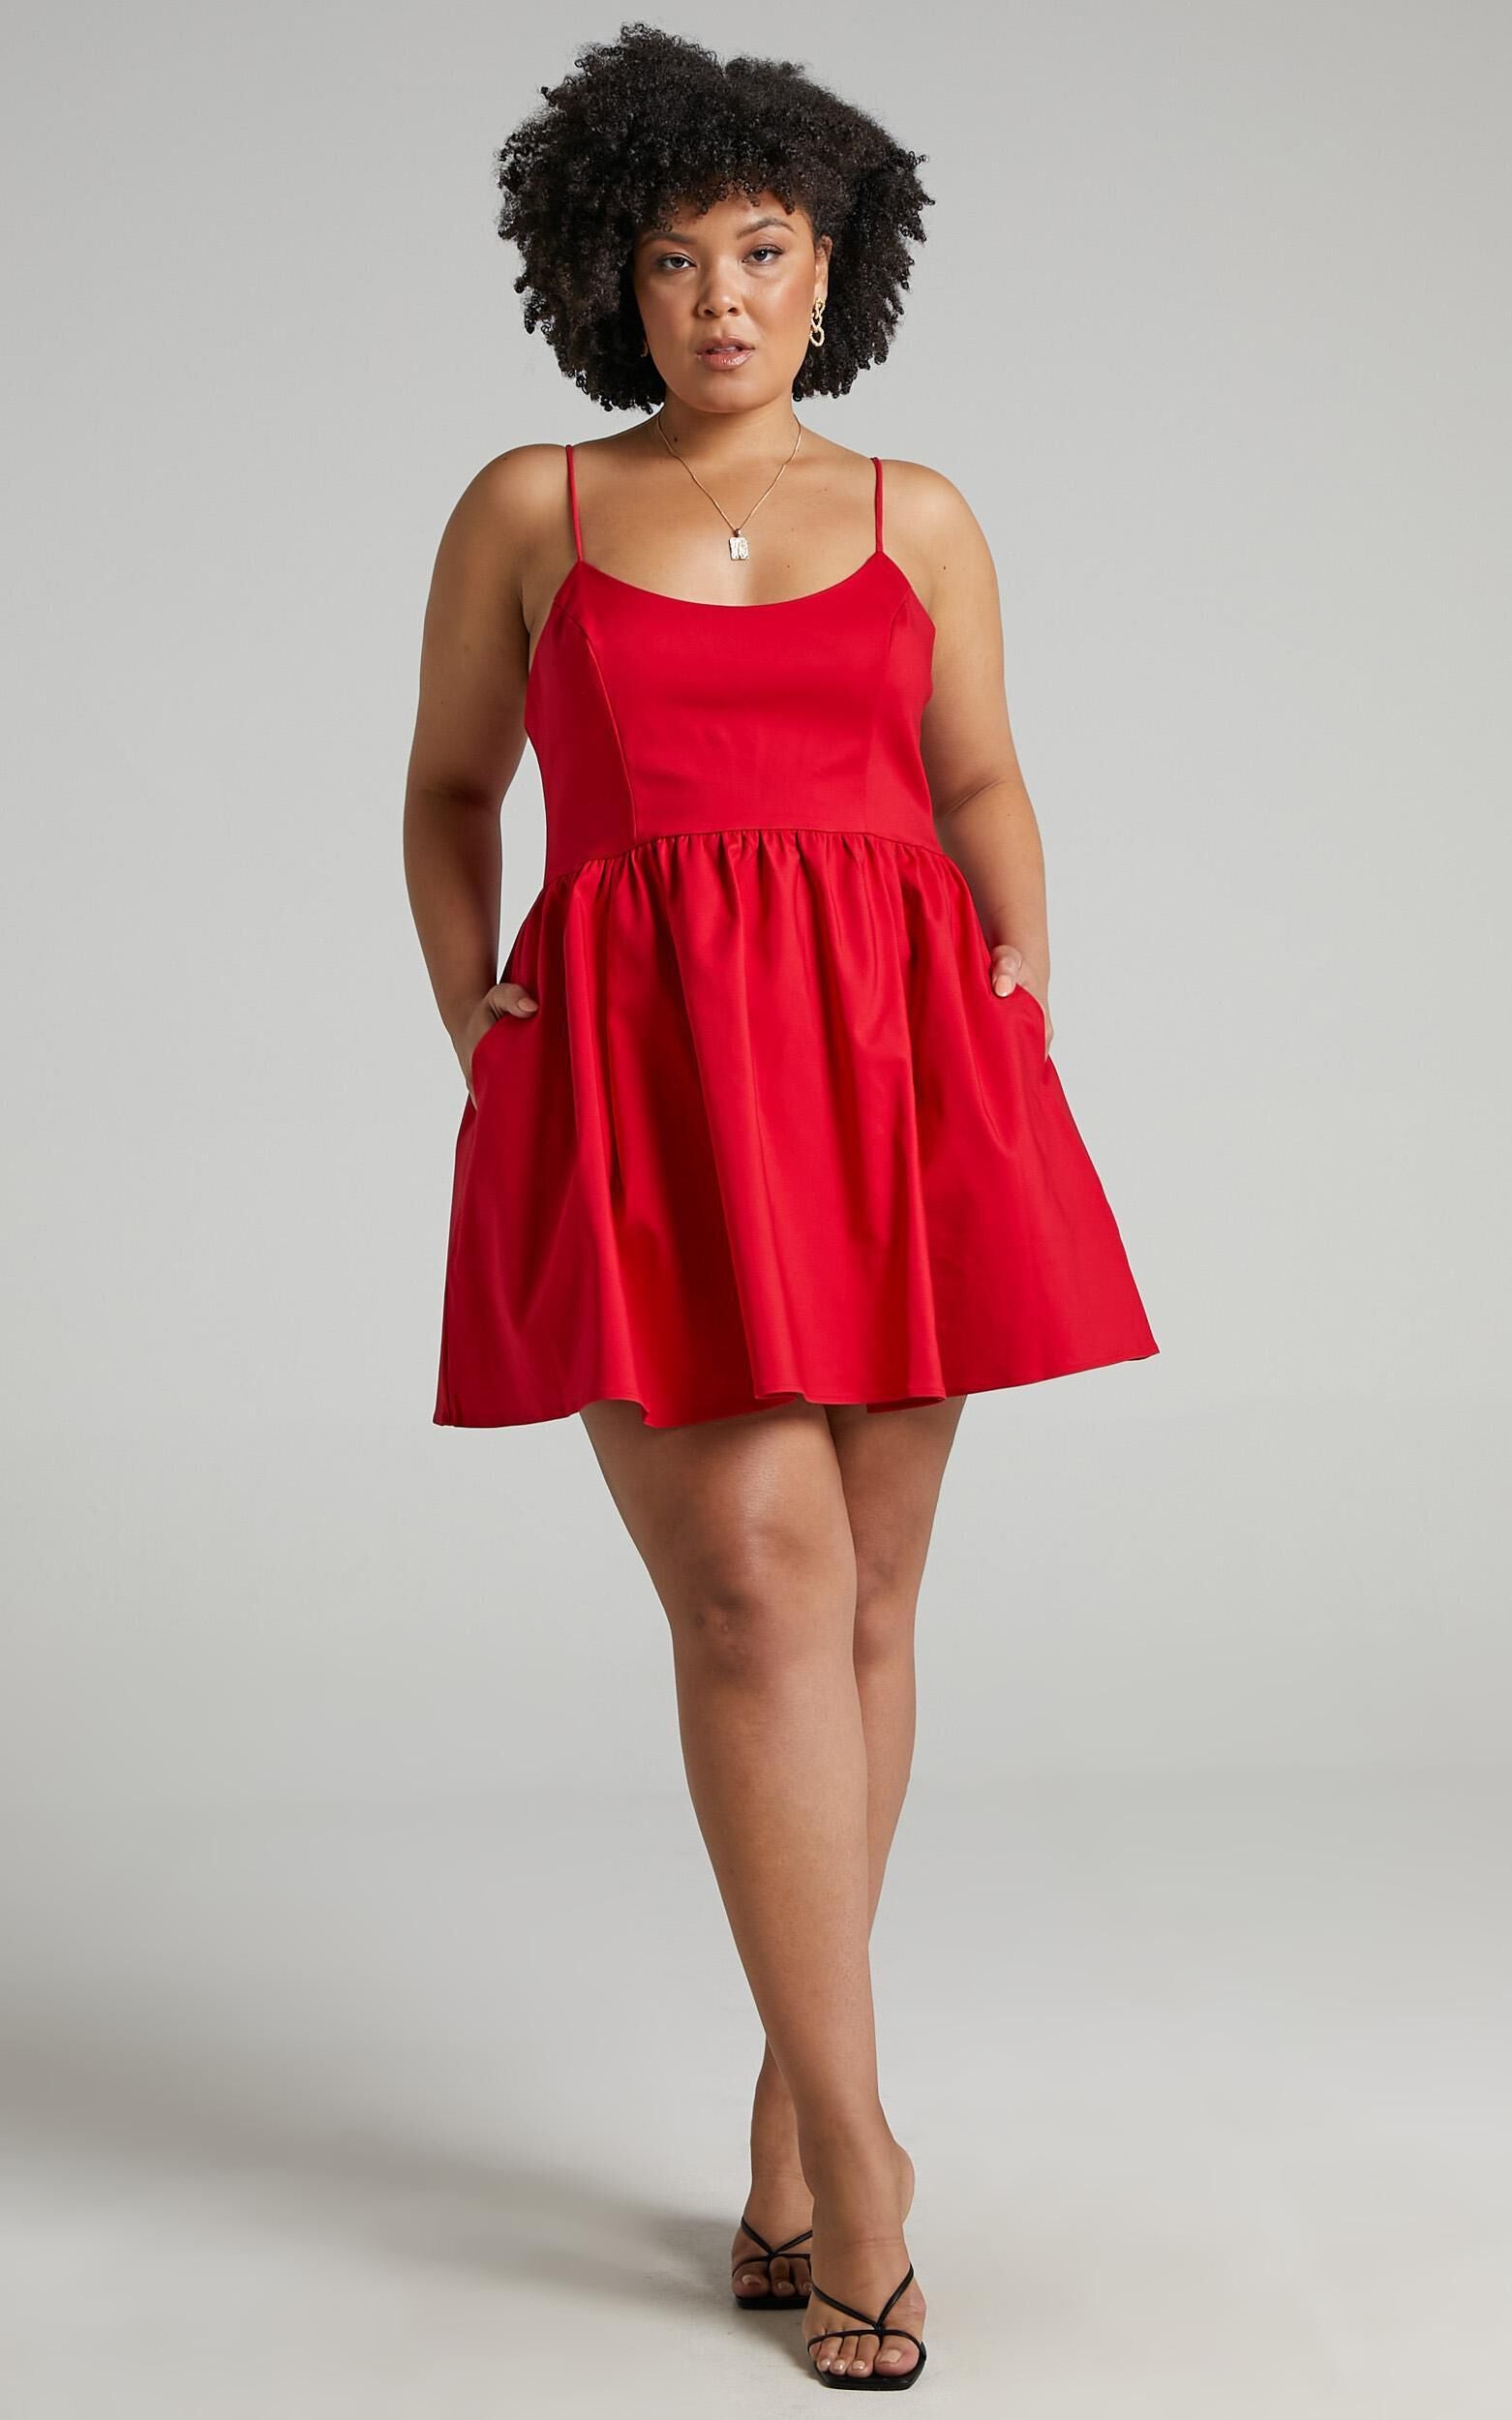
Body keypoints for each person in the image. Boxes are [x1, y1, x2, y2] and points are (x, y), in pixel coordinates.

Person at [404, 24, 1159, 2390]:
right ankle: (864, 2161)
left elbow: (979, 773)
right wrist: (474, 1018)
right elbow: (446, 791)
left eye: (762, 249)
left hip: (894, 1082)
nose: (719, 297)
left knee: (868, 1607)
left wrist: (1021, 946)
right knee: (756, 1585)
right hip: (643, 1098)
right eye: (670, 257)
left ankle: (775, 2124)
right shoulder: (531, 507)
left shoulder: (919, 515)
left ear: (836, 266)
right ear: (602, 277)